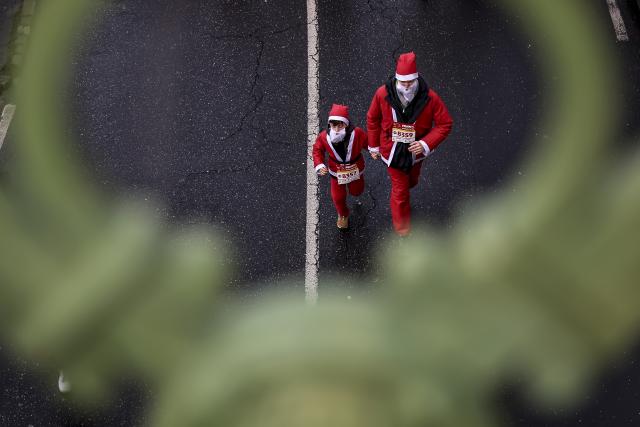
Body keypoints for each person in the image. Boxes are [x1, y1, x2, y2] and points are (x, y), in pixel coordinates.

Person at [366, 51, 453, 236]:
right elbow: (373, 118)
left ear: (416, 79)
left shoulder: (431, 97)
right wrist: (373, 145)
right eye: (403, 82)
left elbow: (445, 123)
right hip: (392, 150)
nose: (406, 86)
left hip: (416, 152)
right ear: (397, 79)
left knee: (412, 181)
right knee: (400, 191)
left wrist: (425, 144)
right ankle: (402, 229)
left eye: (410, 82)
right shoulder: (382, 94)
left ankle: (407, 187)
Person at [313, 104, 368, 230]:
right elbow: (317, 150)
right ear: (329, 125)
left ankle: (352, 190)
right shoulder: (323, 137)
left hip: (355, 170)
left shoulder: (357, 133)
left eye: (340, 125)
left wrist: (376, 150)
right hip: (336, 172)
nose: (337, 129)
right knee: (337, 197)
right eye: (334, 126)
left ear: (346, 124)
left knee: (357, 191)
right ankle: (343, 215)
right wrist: (319, 164)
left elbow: (368, 143)